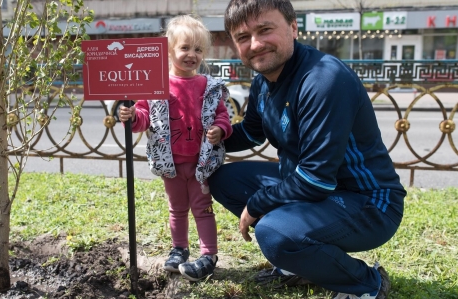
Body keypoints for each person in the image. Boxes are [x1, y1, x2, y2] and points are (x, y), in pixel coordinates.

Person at [207, 1, 406, 298]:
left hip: (367, 201)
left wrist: (258, 203)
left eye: (265, 30)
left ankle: (367, 283)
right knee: (224, 180)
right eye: (243, 37)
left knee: (273, 233)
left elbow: (316, 178)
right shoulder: (263, 81)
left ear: (293, 27)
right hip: (315, 187)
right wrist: (199, 134)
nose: (256, 44)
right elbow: (250, 132)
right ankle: (301, 262)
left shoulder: (323, 79)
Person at [119, 14, 233, 282]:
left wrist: (220, 129)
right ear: (169, 50)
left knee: (203, 208)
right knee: (177, 208)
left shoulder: (209, 86)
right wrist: (134, 116)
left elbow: (223, 116)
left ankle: (209, 254)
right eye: (184, 48)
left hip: (201, 164)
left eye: (198, 49)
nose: (191, 55)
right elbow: (145, 117)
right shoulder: (156, 86)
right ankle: (179, 248)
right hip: (171, 165)